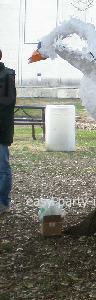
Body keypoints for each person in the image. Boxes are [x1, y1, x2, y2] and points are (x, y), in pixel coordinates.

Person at [0, 48, 16, 213]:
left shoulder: (7, 75)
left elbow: (8, 101)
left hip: (1, 129)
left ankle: (3, 202)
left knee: (2, 168)